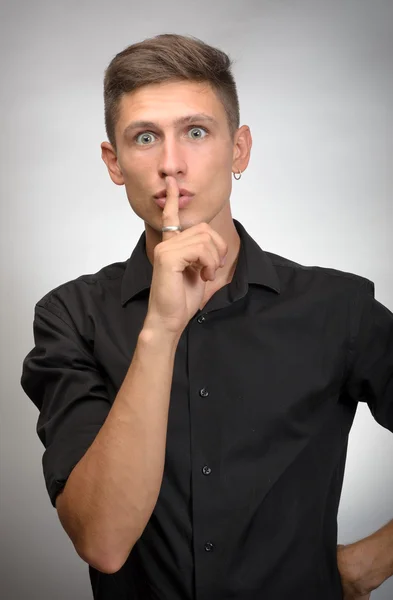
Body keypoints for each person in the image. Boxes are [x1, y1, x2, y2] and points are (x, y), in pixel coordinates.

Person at [20, 33, 393, 600]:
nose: (172, 165)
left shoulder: (336, 308)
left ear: (239, 149)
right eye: (145, 138)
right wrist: (161, 329)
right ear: (114, 162)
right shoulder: (70, 317)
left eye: (196, 132)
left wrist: (374, 560)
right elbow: (102, 541)